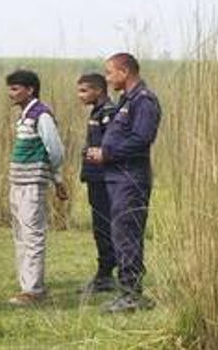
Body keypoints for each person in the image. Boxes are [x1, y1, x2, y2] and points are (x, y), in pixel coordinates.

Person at [86, 53, 161, 313]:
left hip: (131, 178)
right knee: (120, 233)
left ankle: (132, 295)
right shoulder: (125, 100)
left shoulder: (144, 101)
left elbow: (142, 139)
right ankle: (128, 291)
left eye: (110, 73)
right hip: (116, 178)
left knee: (127, 234)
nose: (107, 78)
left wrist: (108, 153)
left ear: (125, 71)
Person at [5, 69, 68, 305]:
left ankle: (34, 290)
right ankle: (27, 285)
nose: (11, 94)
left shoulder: (41, 115)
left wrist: (58, 179)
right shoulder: (24, 116)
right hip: (18, 182)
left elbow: (56, 149)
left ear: (30, 90)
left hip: (32, 183)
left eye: (15, 88)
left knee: (32, 234)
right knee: (21, 234)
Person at [75, 73, 118, 295]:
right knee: (100, 226)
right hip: (95, 178)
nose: (80, 95)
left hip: (104, 179)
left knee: (104, 225)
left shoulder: (108, 114)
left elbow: (107, 147)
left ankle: (106, 274)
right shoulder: (97, 112)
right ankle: (104, 273)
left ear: (99, 90)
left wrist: (89, 152)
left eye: (84, 90)